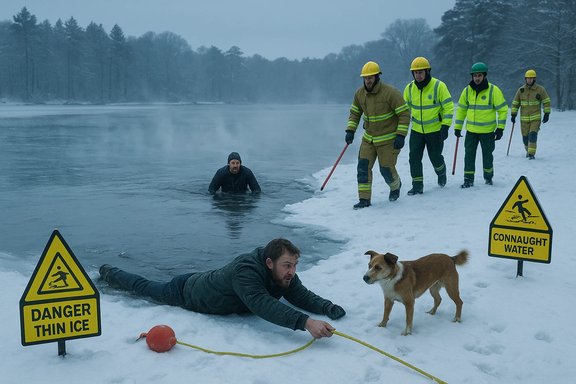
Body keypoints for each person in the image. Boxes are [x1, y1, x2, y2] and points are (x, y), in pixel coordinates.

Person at [99, 238, 346, 339]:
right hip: (185, 293)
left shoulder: (282, 273)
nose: (292, 271)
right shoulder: (246, 271)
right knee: (145, 287)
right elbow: (262, 304)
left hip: (207, 280)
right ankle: (110, 272)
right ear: (269, 262)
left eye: (294, 265)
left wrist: (327, 307)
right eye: (287, 265)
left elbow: (299, 294)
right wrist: (306, 323)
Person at [344, 61, 410, 209]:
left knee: (386, 169)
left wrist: (401, 135)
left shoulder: (391, 93)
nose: (368, 80)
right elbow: (355, 113)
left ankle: (395, 186)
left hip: (388, 140)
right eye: (366, 77)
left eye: (371, 77)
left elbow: (404, 114)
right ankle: (364, 200)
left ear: (377, 77)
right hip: (369, 139)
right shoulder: (359, 94)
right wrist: (350, 130)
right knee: (363, 167)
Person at [403, 57, 454, 195]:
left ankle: (441, 172)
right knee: (414, 158)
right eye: (415, 72)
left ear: (427, 71)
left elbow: (449, 107)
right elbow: (403, 111)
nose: (418, 75)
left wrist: (445, 126)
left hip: (435, 131)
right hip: (416, 131)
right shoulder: (409, 89)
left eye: (421, 72)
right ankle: (417, 185)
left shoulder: (439, 86)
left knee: (435, 158)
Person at [454, 62, 508, 188]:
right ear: (472, 76)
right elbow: (461, 109)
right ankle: (468, 179)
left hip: (487, 132)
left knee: (487, 156)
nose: (477, 78)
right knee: (469, 156)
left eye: (479, 75)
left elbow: (503, 110)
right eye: (475, 76)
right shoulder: (467, 91)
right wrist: (457, 127)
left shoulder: (494, 91)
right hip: (471, 131)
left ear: (484, 76)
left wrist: (500, 128)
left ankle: (488, 178)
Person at [510, 69, 551, 160]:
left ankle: (531, 154)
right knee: (525, 138)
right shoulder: (521, 90)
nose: (529, 80)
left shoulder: (540, 90)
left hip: (535, 118)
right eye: (528, 78)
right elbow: (515, 103)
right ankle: (528, 151)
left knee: (533, 134)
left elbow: (546, 101)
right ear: (525, 79)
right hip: (524, 120)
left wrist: (546, 113)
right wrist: (513, 114)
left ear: (534, 79)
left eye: (531, 78)